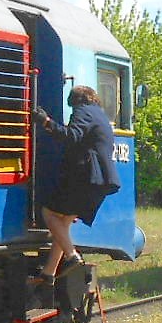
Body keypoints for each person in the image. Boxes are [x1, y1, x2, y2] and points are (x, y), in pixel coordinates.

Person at [32, 85, 121, 292]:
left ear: (77, 101)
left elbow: (72, 136)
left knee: (49, 214)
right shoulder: (100, 115)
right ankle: (49, 273)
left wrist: (46, 122)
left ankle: (72, 256)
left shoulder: (84, 112)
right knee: (63, 223)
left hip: (86, 178)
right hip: (99, 182)